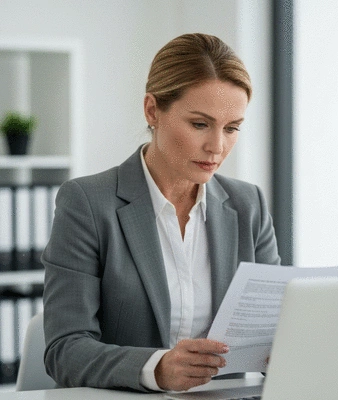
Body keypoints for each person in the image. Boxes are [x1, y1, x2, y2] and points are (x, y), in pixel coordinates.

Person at [42, 32, 280, 393]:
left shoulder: (248, 205)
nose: (217, 146)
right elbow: (65, 349)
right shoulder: (88, 203)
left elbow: (273, 332)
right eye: (200, 124)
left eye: (232, 128)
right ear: (153, 110)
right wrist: (156, 368)